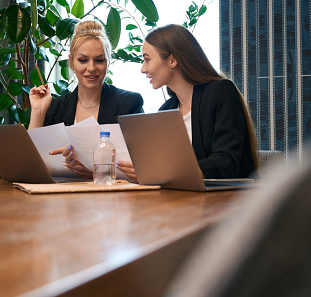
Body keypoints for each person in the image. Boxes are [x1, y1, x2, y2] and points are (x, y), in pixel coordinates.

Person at [117, 24, 259, 181]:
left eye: (147, 60)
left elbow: (226, 161)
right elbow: (167, 166)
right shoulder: (166, 110)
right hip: (186, 196)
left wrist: (165, 172)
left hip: (234, 197)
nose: (143, 69)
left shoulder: (221, 92)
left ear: (172, 60)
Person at [29, 20, 144, 177]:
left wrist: (96, 173)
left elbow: (143, 164)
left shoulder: (129, 103)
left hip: (114, 196)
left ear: (108, 61)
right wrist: (38, 111)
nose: (91, 68)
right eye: (83, 60)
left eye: (99, 60)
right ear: (71, 62)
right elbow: (32, 164)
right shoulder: (55, 107)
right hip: (64, 196)